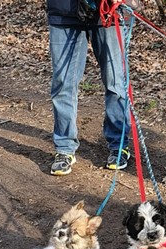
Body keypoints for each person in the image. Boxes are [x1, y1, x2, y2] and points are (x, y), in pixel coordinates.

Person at [47, 0, 131, 176]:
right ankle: (64, 148)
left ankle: (119, 145)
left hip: (109, 12)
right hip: (64, 12)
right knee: (63, 83)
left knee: (115, 82)